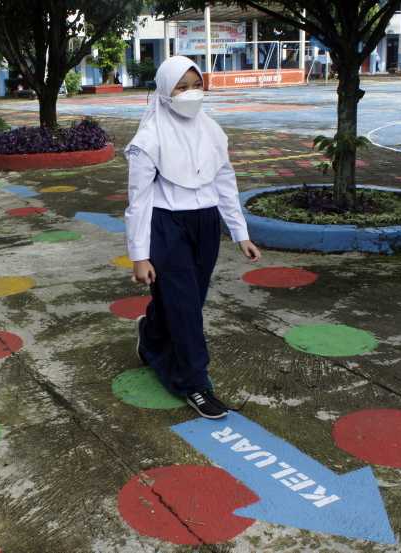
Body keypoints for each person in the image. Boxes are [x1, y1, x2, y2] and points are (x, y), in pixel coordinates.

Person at [125, 56, 261, 420]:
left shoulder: (212, 131)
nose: (190, 94)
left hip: (206, 225)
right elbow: (137, 201)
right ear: (165, 94)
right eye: (181, 88)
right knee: (185, 308)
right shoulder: (148, 139)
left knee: (188, 300)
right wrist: (139, 256)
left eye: (196, 85)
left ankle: (150, 335)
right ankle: (194, 382)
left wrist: (240, 232)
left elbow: (225, 180)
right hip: (166, 226)